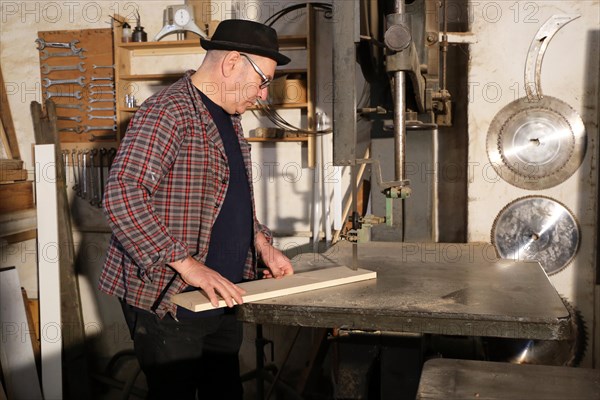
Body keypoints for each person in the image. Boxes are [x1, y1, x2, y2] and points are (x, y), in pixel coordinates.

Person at [98, 19, 294, 399]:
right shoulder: (167, 111)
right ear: (232, 62)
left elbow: (229, 202)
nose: (263, 94)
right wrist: (190, 266)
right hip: (172, 298)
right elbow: (122, 195)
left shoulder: (230, 119)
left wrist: (262, 244)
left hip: (223, 294)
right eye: (263, 81)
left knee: (224, 391)